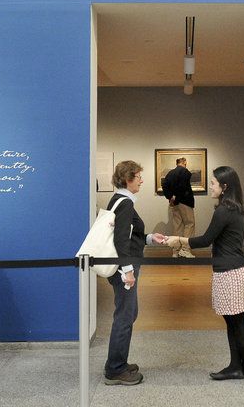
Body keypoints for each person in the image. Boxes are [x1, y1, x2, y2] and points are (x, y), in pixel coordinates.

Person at [167, 165, 244, 381]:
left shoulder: (223, 210)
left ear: (225, 187)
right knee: (239, 321)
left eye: (214, 183)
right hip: (239, 269)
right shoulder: (236, 207)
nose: (210, 186)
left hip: (229, 272)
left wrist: (178, 240)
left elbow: (205, 240)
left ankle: (236, 367)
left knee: (233, 323)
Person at [104, 160, 167, 386]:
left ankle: (118, 362)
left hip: (125, 266)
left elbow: (130, 235)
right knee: (125, 316)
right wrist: (127, 271)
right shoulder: (125, 204)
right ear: (127, 178)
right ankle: (114, 369)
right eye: (138, 176)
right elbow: (122, 241)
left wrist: (151, 238)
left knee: (128, 314)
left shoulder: (120, 200)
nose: (141, 180)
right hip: (125, 268)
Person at [162, 157, 196, 258]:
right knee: (190, 224)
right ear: (184, 162)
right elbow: (182, 187)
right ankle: (185, 249)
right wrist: (177, 198)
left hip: (175, 204)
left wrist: (171, 197)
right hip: (185, 202)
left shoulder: (170, 173)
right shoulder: (185, 172)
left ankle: (176, 251)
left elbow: (164, 185)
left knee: (177, 225)